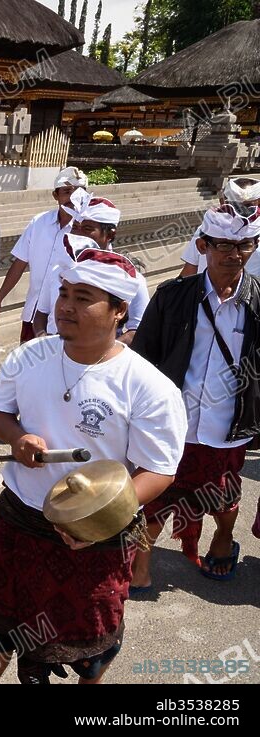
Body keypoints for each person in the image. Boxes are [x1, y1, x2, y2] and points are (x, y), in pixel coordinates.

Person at [0, 249, 187, 684]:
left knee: (89, 646)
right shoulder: (31, 355)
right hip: (21, 518)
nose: (66, 305)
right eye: (64, 293)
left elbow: (159, 470)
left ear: (119, 311)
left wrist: (97, 522)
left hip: (96, 537)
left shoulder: (148, 386)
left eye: (83, 297)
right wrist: (17, 438)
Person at [132, 205, 260, 586]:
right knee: (153, 497)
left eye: (245, 245)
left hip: (228, 424)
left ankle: (222, 539)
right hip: (173, 422)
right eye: (222, 245)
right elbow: (141, 360)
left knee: (223, 495)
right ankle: (141, 564)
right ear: (202, 245)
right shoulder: (172, 297)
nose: (233, 254)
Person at [32, 190, 149, 345]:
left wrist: (97, 355)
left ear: (110, 235)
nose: (78, 234)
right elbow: (41, 315)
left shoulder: (131, 278)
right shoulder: (58, 270)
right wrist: (45, 344)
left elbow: (137, 330)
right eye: (75, 227)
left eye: (87, 229)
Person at [0, 167, 88, 343]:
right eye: (66, 192)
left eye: (77, 193)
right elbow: (19, 263)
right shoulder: (39, 223)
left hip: (64, 320)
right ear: (56, 195)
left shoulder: (87, 231)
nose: (71, 198)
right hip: (32, 313)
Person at [178, 177, 260, 278]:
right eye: (234, 206)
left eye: (247, 207)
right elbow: (189, 272)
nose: (238, 213)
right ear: (223, 202)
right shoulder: (206, 230)